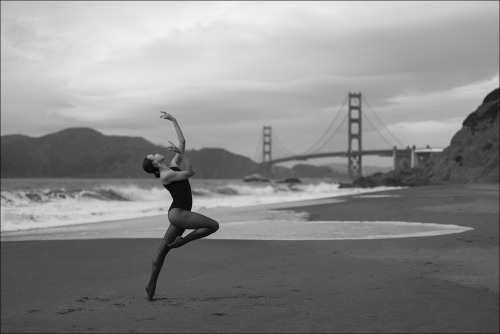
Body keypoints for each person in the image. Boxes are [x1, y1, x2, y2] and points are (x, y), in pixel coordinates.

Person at [142, 111, 219, 301]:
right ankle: (182, 242)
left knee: (163, 249)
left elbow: (182, 143)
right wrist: (181, 155)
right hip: (178, 213)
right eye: (153, 155)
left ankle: (151, 285)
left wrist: (174, 121)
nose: (157, 152)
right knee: (213, 226)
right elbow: (191, 172)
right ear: (154, 163)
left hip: (178, 213)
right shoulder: (166, 175)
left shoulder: (172, 167)